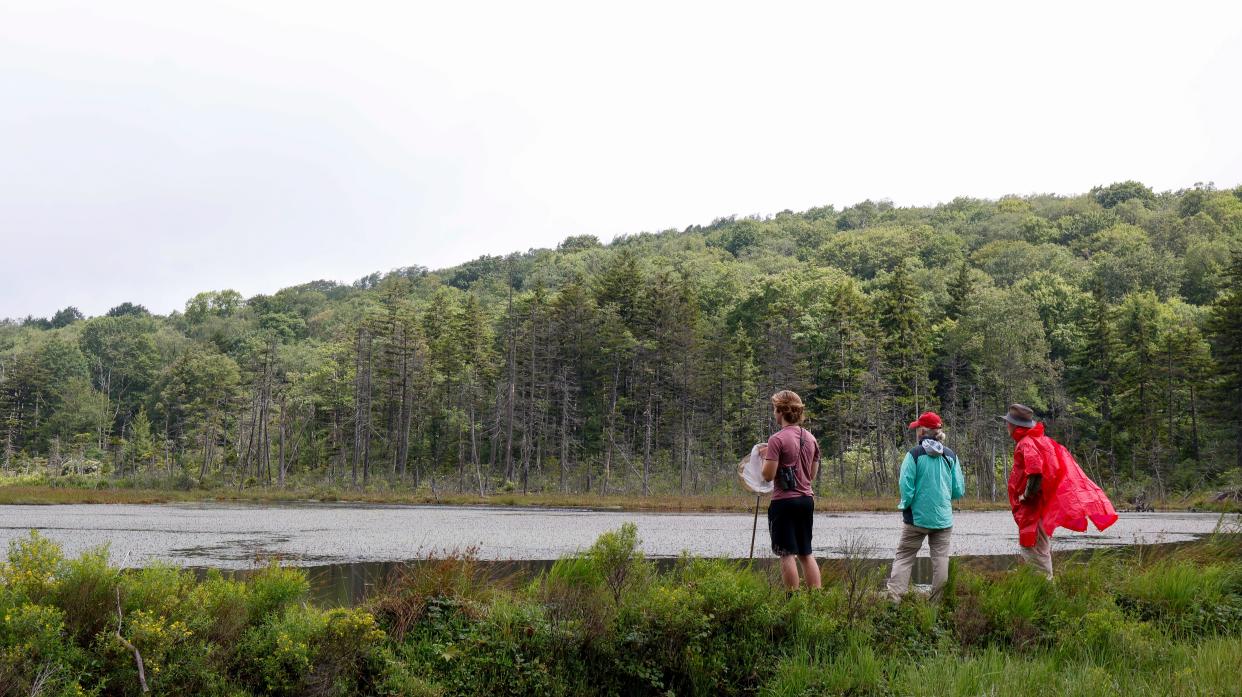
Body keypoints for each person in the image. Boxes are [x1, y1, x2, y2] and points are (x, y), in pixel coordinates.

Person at [1001, 403, 1119, 579]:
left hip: (1032, 509)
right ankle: (1042, 592)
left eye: (1008, 422)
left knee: (1035, 551)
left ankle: (1044, 593)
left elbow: (1036, 472)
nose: (1006, 426)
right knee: (1037, 550)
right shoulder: (1038, 441)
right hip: (1034, 509)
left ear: (1015, 425)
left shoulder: (1026, 444)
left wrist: (1026, 495)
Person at [886, 411, 965, 602]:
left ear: (922, 431)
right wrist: (944, 500)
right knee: (941, 561)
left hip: (916, 518)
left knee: (904, 557)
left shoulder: (913, 455)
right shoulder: (950, 456)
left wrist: (907, 505)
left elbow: (906, 486)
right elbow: (958, 489)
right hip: (943, 519)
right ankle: (936, 604)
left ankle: (894, 601)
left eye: (917, 429)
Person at [761, 390, 822, 591]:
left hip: (784, 502)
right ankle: (816, 598)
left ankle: (792, 601)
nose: (774, 414)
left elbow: (768, 476)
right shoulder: (811, 439)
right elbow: (811, 475)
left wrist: (764, 458)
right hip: (806, 500)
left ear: (781, 411)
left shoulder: (776, 440)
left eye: (774, 409)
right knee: (805, 552)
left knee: (787, 553)